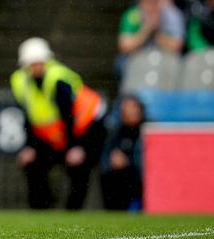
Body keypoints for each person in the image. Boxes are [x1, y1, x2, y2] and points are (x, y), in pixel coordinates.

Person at [11, 38, 106, 209]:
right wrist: (29, 146)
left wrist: (75, 146)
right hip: (54, 137)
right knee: (33, 166)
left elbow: (68, 116)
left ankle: (73, 212)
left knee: (79, 168)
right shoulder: (21, 82)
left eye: (39, 63)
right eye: (32, 64)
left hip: (83, 131)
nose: (36, 67)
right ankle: (41, 210)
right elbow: (27, 116)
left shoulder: (58, 79)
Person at [101, 96, 145, 211]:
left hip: (140, 177)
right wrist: (112, 160)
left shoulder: (149, 130)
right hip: (119, 176)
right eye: (125, 108)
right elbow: (106, 155)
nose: (129, 111)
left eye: (133, 107)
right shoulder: (116, 132)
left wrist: (127, 161)